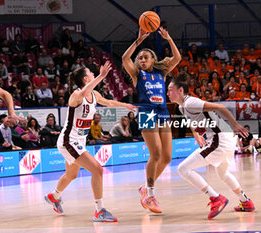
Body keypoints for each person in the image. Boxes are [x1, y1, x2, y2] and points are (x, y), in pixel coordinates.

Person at [44, 62, 135, 222]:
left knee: (71, 175)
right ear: (86, 79)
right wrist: (101, 76)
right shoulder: (75, 96)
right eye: (91, 74)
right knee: (97, 170)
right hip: (68, 141)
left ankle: (54, 196)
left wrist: (125, 105)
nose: (94, 74)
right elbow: (83, 93)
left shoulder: (95, 95)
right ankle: (99, 211)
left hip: (78, 141)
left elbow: (109, 102)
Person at [167, 72, 255, 219]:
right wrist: (198, 137)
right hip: (224, 138)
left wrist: (235, 125)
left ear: (180, 90)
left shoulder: (190, 103)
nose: (167, 93)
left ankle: (216, 198)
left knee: (183, 168)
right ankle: (245, 201)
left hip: (220, 139)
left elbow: (220, 107)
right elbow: (193, 123)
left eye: (170, 90)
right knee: (223, 173)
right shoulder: (183, 107)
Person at [122, 27, 181, 213]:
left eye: (145, 58)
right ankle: (150, 194)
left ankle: (145, 187)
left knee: (167, 157)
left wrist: (169, 38)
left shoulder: (161, 73)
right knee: (155, 155)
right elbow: (124, 59)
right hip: (147, 113)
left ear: (153, 60)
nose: (142, 60)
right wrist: (138, 41)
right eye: (140, 58)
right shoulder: (137, 74)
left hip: (162, 112)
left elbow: (177, 58)